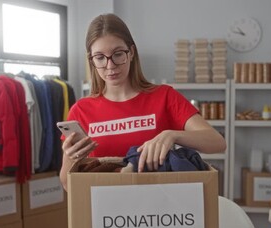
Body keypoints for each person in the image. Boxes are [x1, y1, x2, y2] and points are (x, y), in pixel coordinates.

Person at [59, 13, 226, 190]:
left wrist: (172, 135)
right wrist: (71, 157)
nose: (110, 66)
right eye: (100, 57)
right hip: (106, 211)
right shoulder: (81, 110)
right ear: (91, 60)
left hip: (158, 209)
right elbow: (67, 184)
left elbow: (217, 142)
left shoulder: (164, 96)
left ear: (131, 52)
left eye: (118, 54)